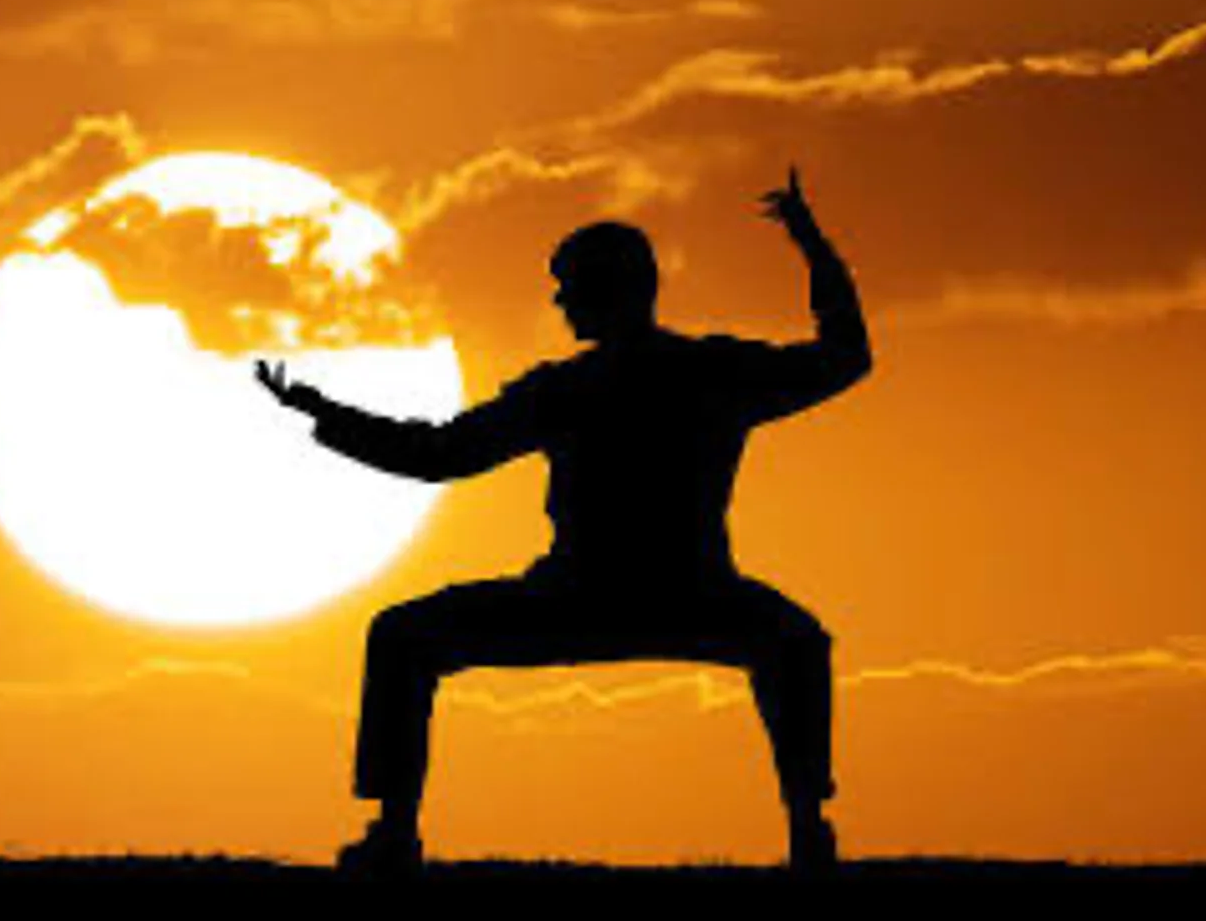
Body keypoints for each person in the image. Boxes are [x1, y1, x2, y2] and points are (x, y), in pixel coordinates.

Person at [255, 166, 873, 875]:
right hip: (681, 595)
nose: (558, 300)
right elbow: (845, 355)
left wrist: (321, 413)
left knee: (403, 636)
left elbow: (436, 455)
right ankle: (809, 829)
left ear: (609, 291)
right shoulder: (712, 372)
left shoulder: (570, 389)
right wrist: (811, 245)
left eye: (569, 285)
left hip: (591, 596)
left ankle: (394, 833)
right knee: (794, 641)